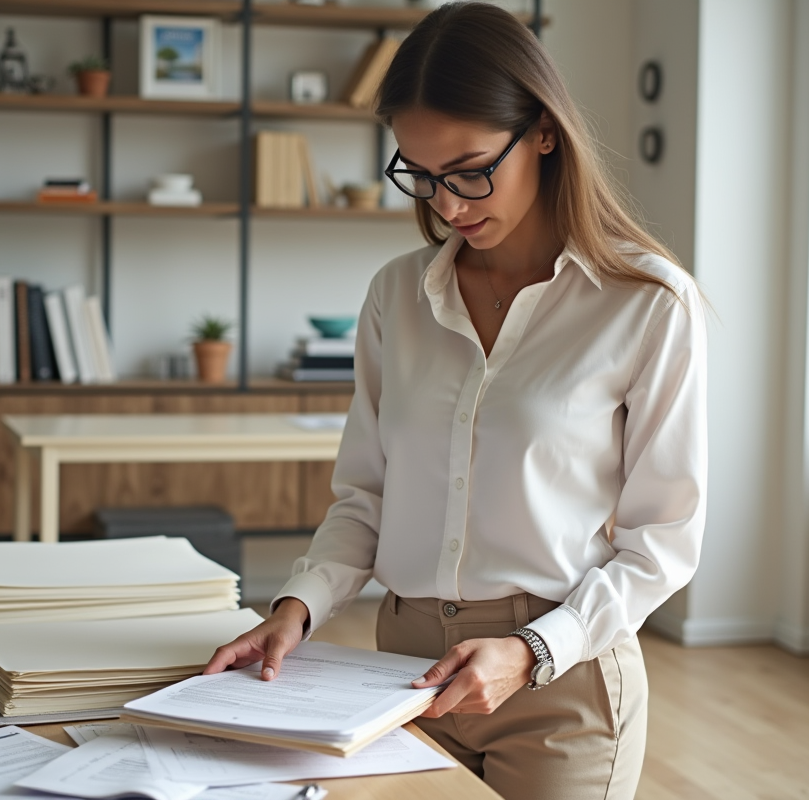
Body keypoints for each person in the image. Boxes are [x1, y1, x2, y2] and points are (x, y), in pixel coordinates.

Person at [204, 3, 707, 798]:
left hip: (558, 682)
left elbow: (664, 540)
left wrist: (535, 651)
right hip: (397, 676)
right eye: (421, 174)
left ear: (543, 131)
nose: (448, 204)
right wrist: (296, 608)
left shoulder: (645, 302)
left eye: (472, 170)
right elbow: (364, 497)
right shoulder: (396, 295)